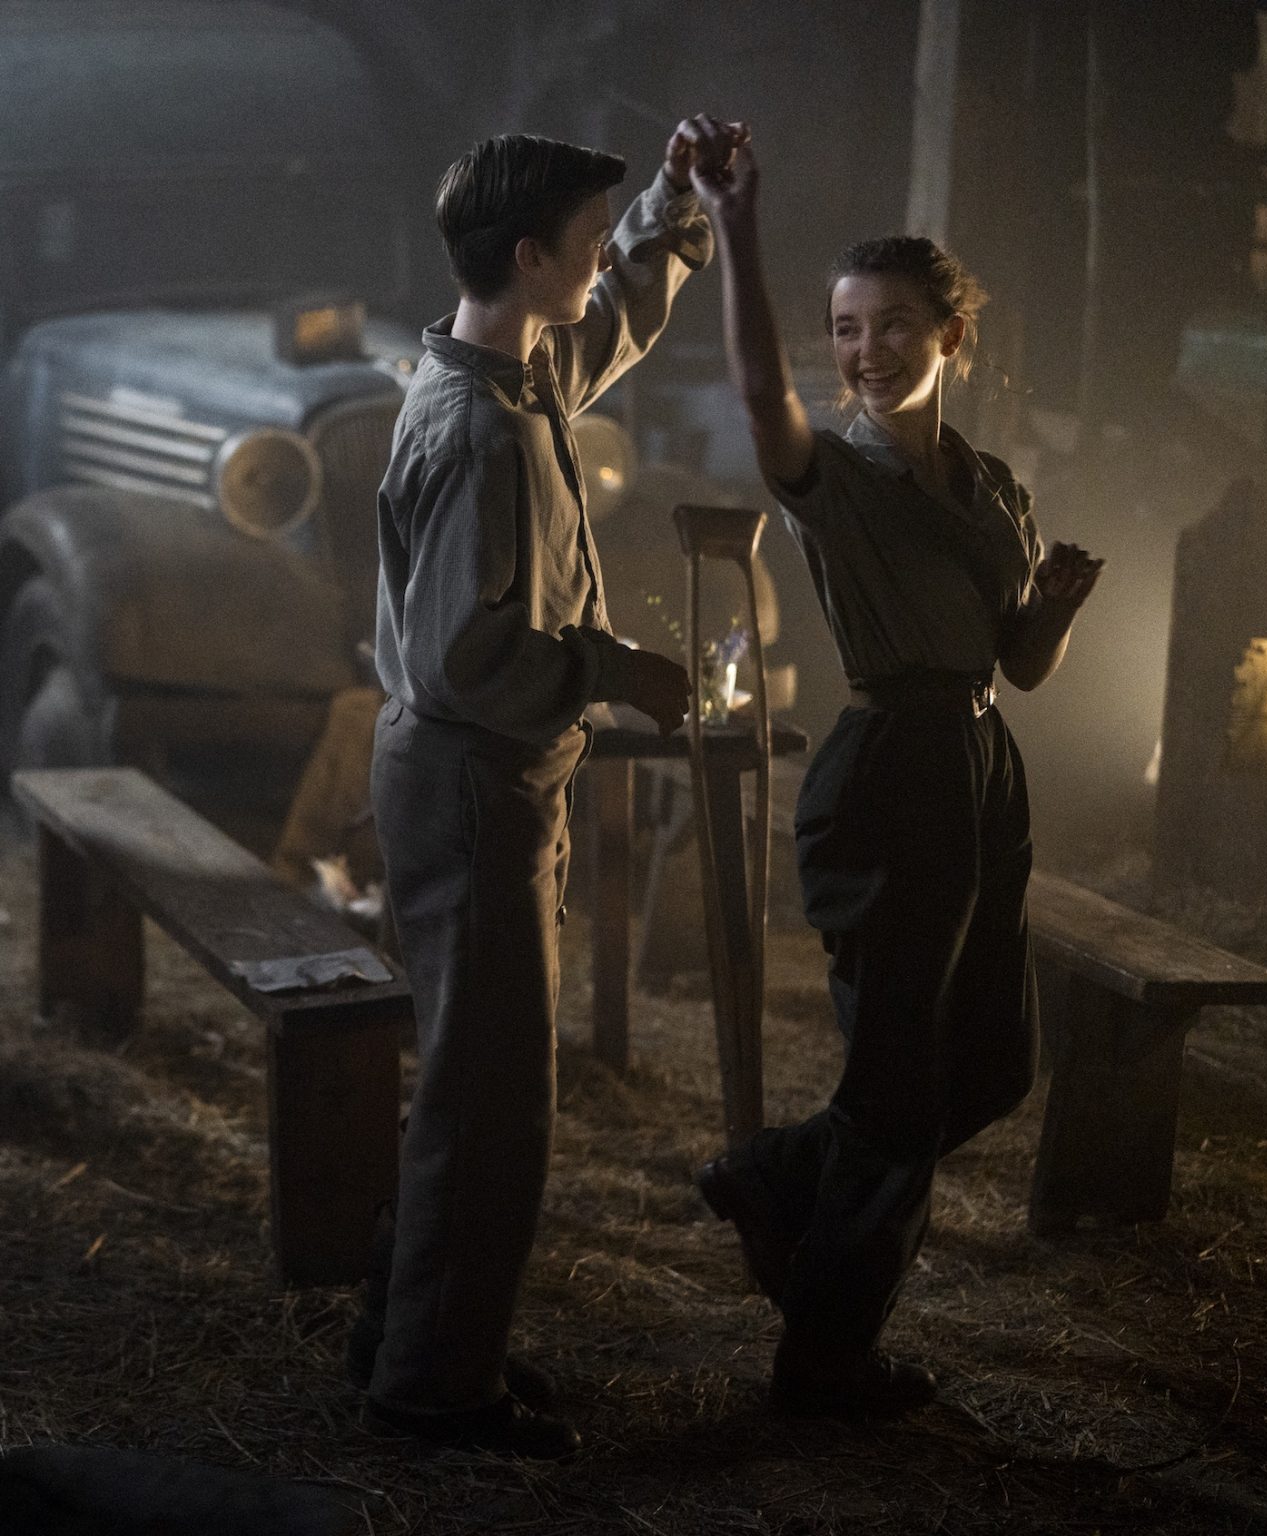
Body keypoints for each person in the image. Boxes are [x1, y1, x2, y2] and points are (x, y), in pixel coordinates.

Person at [689, 126, 1103, 1420]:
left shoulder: (988, 488)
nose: (865, 349)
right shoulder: (838, 478)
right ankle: (825, 1353)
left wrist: (1057, 604)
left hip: (978, 762)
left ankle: (775, 1179)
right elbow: (763, 398)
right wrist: (733, 227)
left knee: (989, 1063)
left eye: (893, 326)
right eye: (844, 328)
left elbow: (1021, 667)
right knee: (894, 1081)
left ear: (950, 339)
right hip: (886, 771)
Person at [356, 121, 745, 1460]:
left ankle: (411, 1333)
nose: (594, 272)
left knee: (471, 1078)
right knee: (493, 1097)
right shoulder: (475, 429)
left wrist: (675, 210)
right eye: (581, 250)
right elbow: (467, 660)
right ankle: (432, 1387)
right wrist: (614, 667)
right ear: (528, 257)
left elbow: (612, 324)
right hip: (472, 778)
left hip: (478, 778)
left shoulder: (508, 377)